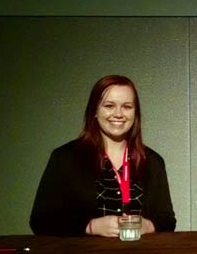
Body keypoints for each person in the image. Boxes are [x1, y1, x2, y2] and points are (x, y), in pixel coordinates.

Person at [30, 75, 176, 236]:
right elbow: (40, 221)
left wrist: (147, 226)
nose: (118, 114)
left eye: (127, 106)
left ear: (136, 114)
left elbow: (167, 220)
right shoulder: (65, 158)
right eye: (109, 105)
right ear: (94, 111)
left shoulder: (152, 161)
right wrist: (90, 227)